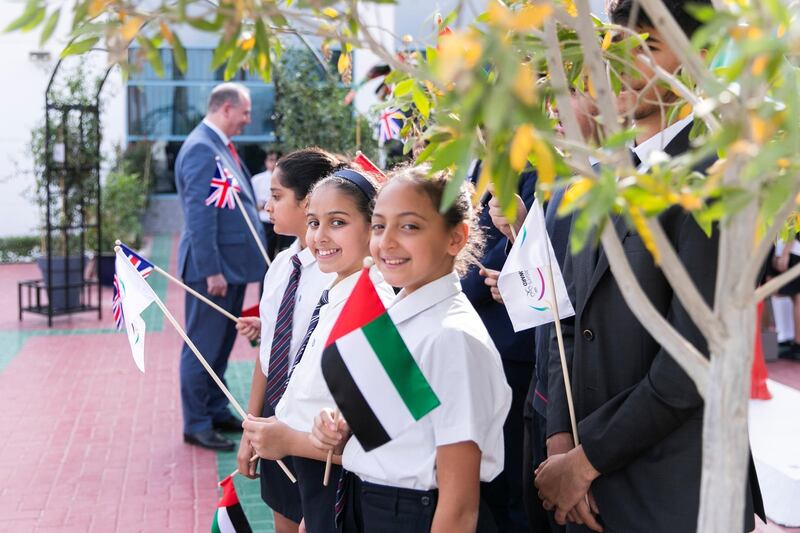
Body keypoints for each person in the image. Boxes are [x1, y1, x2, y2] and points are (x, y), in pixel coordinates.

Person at [534, 1, 764, 531]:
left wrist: (585, 464)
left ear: (696, 61)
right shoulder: (592, 182)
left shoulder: (719, 180)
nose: (618, 64)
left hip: (676, 493)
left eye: (646, 48)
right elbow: (563, 321)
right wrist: (561, 445)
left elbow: (693, 361)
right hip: (585, 493)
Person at [310, 165, 512, 532]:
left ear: (456, 238)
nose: (386, 242)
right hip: (367, 499)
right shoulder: (403, 315)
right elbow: (410, 428)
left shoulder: (452, 338)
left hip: (413, 513)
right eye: (379, 225)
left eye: (409, 226)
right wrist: (347, 430)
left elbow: (459, 506)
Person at [242, 168, 394, 533]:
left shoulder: (373, 307)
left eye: (337, 222)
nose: (319, 237)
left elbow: (385, 441)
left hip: (352, 495)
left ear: (374, 227)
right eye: (313, 222)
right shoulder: (338, 294)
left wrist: (288, 440)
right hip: (321, 490)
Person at [234, 148, 341, 533]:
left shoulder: (335, 273)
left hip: (319, 430)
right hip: (276, 421)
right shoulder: (281, 266)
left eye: (278, 196)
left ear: (309, 200)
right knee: (283, 518)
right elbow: (268, 356)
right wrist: (253, 428)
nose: (267, 204)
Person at [174, 82, 267, 452]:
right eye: (245, 112)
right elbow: (200, 215)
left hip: (230, 269)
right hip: (212, 271)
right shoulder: (201, 148)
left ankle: (213, 409)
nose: (248, 120)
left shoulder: (218, 146)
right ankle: (196, 423)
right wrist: (211, 269)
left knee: (221, 344)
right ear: (226, 108)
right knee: (202, 346)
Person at [461, 162, 537, 533]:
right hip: (482, 335)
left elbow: (488, 257)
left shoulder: (528, 167)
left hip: (512, 345)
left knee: (508, 479)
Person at [252, 150, 292, 259]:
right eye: (271, 160)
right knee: (266, 251)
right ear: (266, 161)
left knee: (284, 250)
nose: (274, 163)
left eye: (277, 160)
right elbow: (252, 203)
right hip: (265, 221)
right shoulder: (257, 179)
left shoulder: (288, 179)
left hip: (283, 219)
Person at [771, 237, 800, 360]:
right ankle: (796, 343)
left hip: (794, 251)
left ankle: (798, 344)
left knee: (798, 298)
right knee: (796, 298)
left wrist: (785, 253)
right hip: (790, 249)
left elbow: (793, 225)